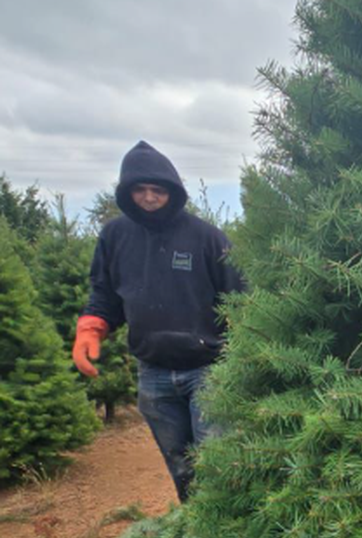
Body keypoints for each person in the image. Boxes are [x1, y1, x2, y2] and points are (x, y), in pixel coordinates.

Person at [73, 140, 243, 502]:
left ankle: (226, 533)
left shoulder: (206, 238)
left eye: (158, 190)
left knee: (215, 460)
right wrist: (91, 327)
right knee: (180, 463)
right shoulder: (115, 237)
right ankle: (194, 530)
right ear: (127, 192)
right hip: (152, 372)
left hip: (208, 369)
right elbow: (103, 293)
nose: (149, 198)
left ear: (172, 192)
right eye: (140, 190)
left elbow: (239, 299)